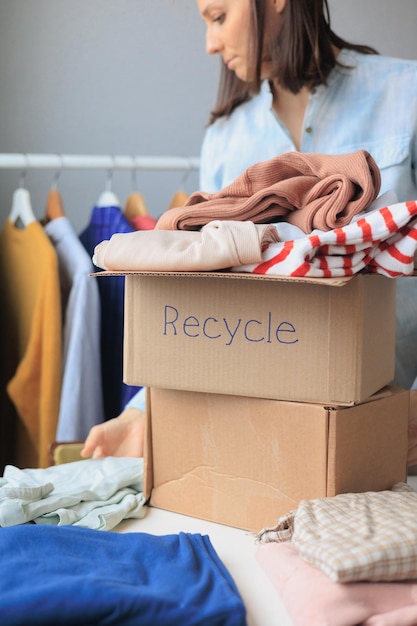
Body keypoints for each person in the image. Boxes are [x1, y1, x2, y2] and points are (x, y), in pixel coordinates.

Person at [81, 0, 417, 461]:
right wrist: (144, 414)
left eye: (218, 17)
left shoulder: (408, 95)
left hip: (397, 437)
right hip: (264, 448)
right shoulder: (224, 140)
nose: (209, 44)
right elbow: (201, 296)